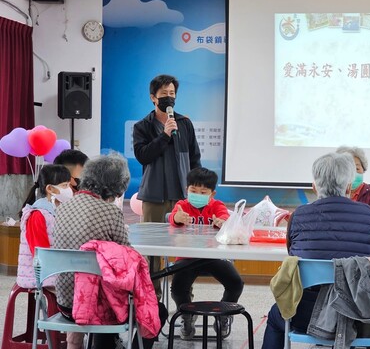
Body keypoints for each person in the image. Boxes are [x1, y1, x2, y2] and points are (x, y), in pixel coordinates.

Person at [261, 152, 370, 348]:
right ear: (349, 186)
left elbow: (293, 255)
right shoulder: (367, 214)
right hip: (357, 315)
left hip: (305, 316)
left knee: (275, 318)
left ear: (315, 187)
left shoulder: (299, 215)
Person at [53, 153, 162, 349]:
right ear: (117, 186)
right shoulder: (110, 212)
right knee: (157, 309)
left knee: (103, 288)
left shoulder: (62, 208)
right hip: (94, 307)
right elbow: (127, 260)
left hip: (65, 304)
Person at [133, 74, 202, 299]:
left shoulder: (185, 123)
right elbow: (143, 156)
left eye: (172, 94)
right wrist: (164, 136)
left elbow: (194, 159)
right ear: (153, 98)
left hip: (182, 198)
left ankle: (184, 301)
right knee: (151, 254)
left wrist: (198, 189)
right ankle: (153, 305)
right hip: (154, 198)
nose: (169, 98)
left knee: (185, 253)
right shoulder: (142, 126)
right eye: (164, 94)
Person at [168, 167, 244, 340]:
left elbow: (225, 218)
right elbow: (174, 217)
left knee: (236, 283)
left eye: (203, 192)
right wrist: (177, 218)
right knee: (178, 288)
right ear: (187, 189)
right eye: (193, 191)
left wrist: (222, 222)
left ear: (212, 193)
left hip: (212, 256)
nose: (197, 194)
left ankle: (224, 315)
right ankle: (186, 315)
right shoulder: (182, 205)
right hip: (187, 257)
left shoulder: (217, 206)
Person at [16, 164, 71, 288]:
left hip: (50, 268)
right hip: (38, 273)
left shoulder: (55, 210)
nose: (69, 190)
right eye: (65, 186)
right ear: (50, 189)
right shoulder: (37, 214)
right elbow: (40, 251)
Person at [336, 145, 370, 223]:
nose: (353, 174)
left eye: (357, 169)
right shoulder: (333, 192)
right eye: (348, 170)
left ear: (363, 169)